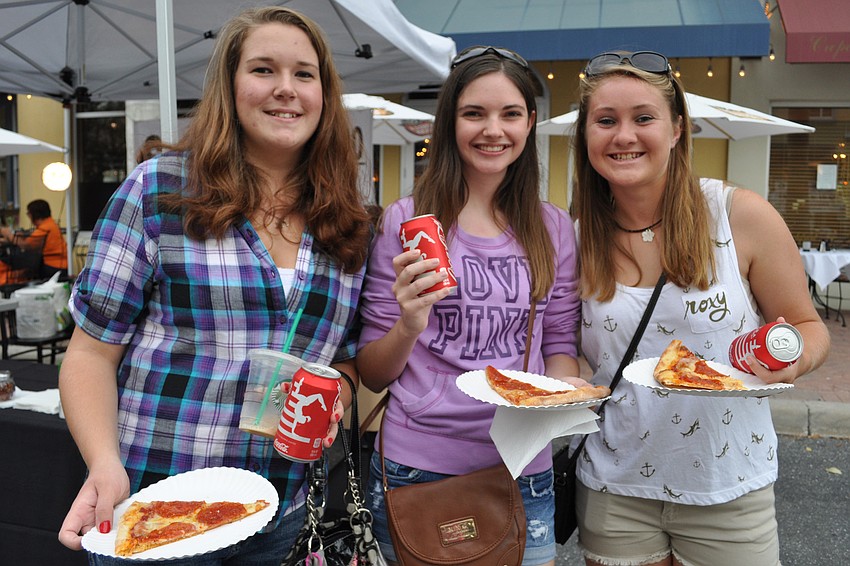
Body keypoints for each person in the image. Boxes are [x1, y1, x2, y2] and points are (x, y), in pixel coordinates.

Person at [57, 6, 371, 564]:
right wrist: (103, 462)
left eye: (304, 74)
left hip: (281, 510)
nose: (286, 89)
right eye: (263, 70)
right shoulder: (160, 190)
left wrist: (334, 401)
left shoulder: (342, 218)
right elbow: (89, 354)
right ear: (229, 86)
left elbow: (341, 361)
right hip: (157, 503)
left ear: (325, 94)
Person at [568, 50, 831, 566]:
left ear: (676, 130)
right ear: (587, 137)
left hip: (729, 484)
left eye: (644, 118)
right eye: (606, 121)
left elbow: (807, 326)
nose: (624, 136)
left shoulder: (739, 215)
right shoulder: (574, 240)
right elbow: (576, 355)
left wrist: (792, 358)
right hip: (613, 488)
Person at [357, 46, 585, 566]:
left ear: (530, 123)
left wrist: (559, 391)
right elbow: (372, 371)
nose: (493, 130)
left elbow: (559, 342)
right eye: (474, 113)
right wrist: (410, 322)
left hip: (524, 464)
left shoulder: (551, 228)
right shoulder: (408, 220)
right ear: (449, 123)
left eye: (509, 114)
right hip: (420, 463)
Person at [0, 198, 68, 281]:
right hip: (58, 265)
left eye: (28, 213)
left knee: (11, 263)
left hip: (53, 266)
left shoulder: (45, 228)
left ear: (34, 214)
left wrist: (9, 235)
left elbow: (27, 245)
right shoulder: (50, 224)